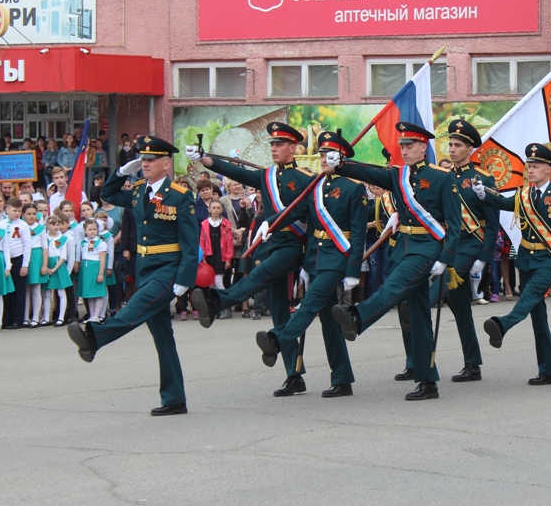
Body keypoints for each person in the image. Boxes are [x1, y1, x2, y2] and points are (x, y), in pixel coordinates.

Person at [67, 136, 199, 416]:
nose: (146, 163)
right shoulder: (138, 190)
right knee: (163, 338)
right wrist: (122, 171)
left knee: (135, 308)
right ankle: (175, 398)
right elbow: (110, 195)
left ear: (167, 163)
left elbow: (190, 241)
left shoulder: (179, 194)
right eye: (143, 159)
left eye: (151, 160)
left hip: (168, 270)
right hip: (145, 269)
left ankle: (95, 337)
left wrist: (184, 280)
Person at [329, 122, 462, 401]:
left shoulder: (442, 177)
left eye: (410, 145)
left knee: (393, 287)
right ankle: (428, 380)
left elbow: (454, 223)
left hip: (428, 248)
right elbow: (369, 172)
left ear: (423, 148)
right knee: (419, 317)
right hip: (404, 247)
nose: (405, 150)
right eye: (402, 146)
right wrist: (341, 164)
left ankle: (358, 316)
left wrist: (446, 258)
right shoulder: (398, 175)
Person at [188, 122, 316, 398]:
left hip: (294, 246)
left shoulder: (306, 178)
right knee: (280, 311)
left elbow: (308, 212)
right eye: (271, 144)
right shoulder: (266, 176)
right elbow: (234, 170)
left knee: (257, 277)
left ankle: (218, 301)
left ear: (293, 147)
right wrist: (204, 158)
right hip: (272, 245)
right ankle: (294, 374)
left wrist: (272, 222)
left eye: (279, 144)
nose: (274, 149)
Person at [255, 132, 364, 398]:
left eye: (328, 154)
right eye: (320, 154)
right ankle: (342, 378)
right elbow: (308, 223)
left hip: (338, 260)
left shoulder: (353, 188)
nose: (322, 159)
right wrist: (272, 222)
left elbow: (359, 233)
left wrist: (352, 271)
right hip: (316, 259)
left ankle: (277, 339)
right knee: (328, 322)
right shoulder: (316, 186)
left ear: (341, 157)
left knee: (310, 304)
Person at [475, 143, 551, 385]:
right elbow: (502, 203)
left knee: (528, 297)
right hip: (526, 259)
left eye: (536, 166)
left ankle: (502, 324)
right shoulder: (523, 195)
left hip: (548, 261)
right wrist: (482, 193)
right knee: (538, 317)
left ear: (548, 170)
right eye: (529, 165)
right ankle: (548, 370)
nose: (531, 170)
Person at [409, 119, 497, 382]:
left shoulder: (482, 179)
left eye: (458, 145)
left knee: (435, 288)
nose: (452, 149)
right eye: (450, 143)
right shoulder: (442, 177)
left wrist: (485, 257)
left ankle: (420, 306)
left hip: (471, 243)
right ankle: (473, 364)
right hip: (448, 243)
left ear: (470, 149)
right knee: (460, 309)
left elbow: (492, 224)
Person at [3, 197, 32, 330]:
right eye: (14, 210)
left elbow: (27, 245)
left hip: (18, 258)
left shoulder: (23, 225)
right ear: (7, 210)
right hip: (5, 260)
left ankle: (18, 319)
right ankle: (6, 319)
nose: (17, 213)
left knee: (18, 291)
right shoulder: (2, 224)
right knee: (7, 291)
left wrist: (25, 264)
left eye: (19, 211)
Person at [78, 219, 108, 324]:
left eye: (94, 229)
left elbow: (103, 259)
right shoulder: (83, 243)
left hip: (95, 267)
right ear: (85, 230)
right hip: (86, 269)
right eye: (90, 229)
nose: (92, 231)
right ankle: (91, 315)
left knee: (97, 293)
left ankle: (97, 315)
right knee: (89, 293)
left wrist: (100, 273)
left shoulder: (101, 243)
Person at [199, 199, 233, 293]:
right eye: (213, 208)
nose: (216, 210)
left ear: (222, 210)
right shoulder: (205, 223)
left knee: (218, 281)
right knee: (211, 283)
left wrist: (228, 259)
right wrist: (203, 257)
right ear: (209, 209)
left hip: (220, 256)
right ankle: (214, 305)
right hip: (209, 255)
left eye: (218, 208)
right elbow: (202, 241)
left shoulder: (226, 224)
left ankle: (225, 302)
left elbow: (229, 243)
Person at [23, 204, 46, 327]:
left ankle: (36, 317)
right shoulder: (21, 226)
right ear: (23, 215)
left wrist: (44, 265)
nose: (31, 216)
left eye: (33, 214)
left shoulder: (41, 228)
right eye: (28, 214)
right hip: (25, 257)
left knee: (36, 289)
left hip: (36, 257)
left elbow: (45, 248)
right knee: (25, 289)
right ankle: (25, 317)